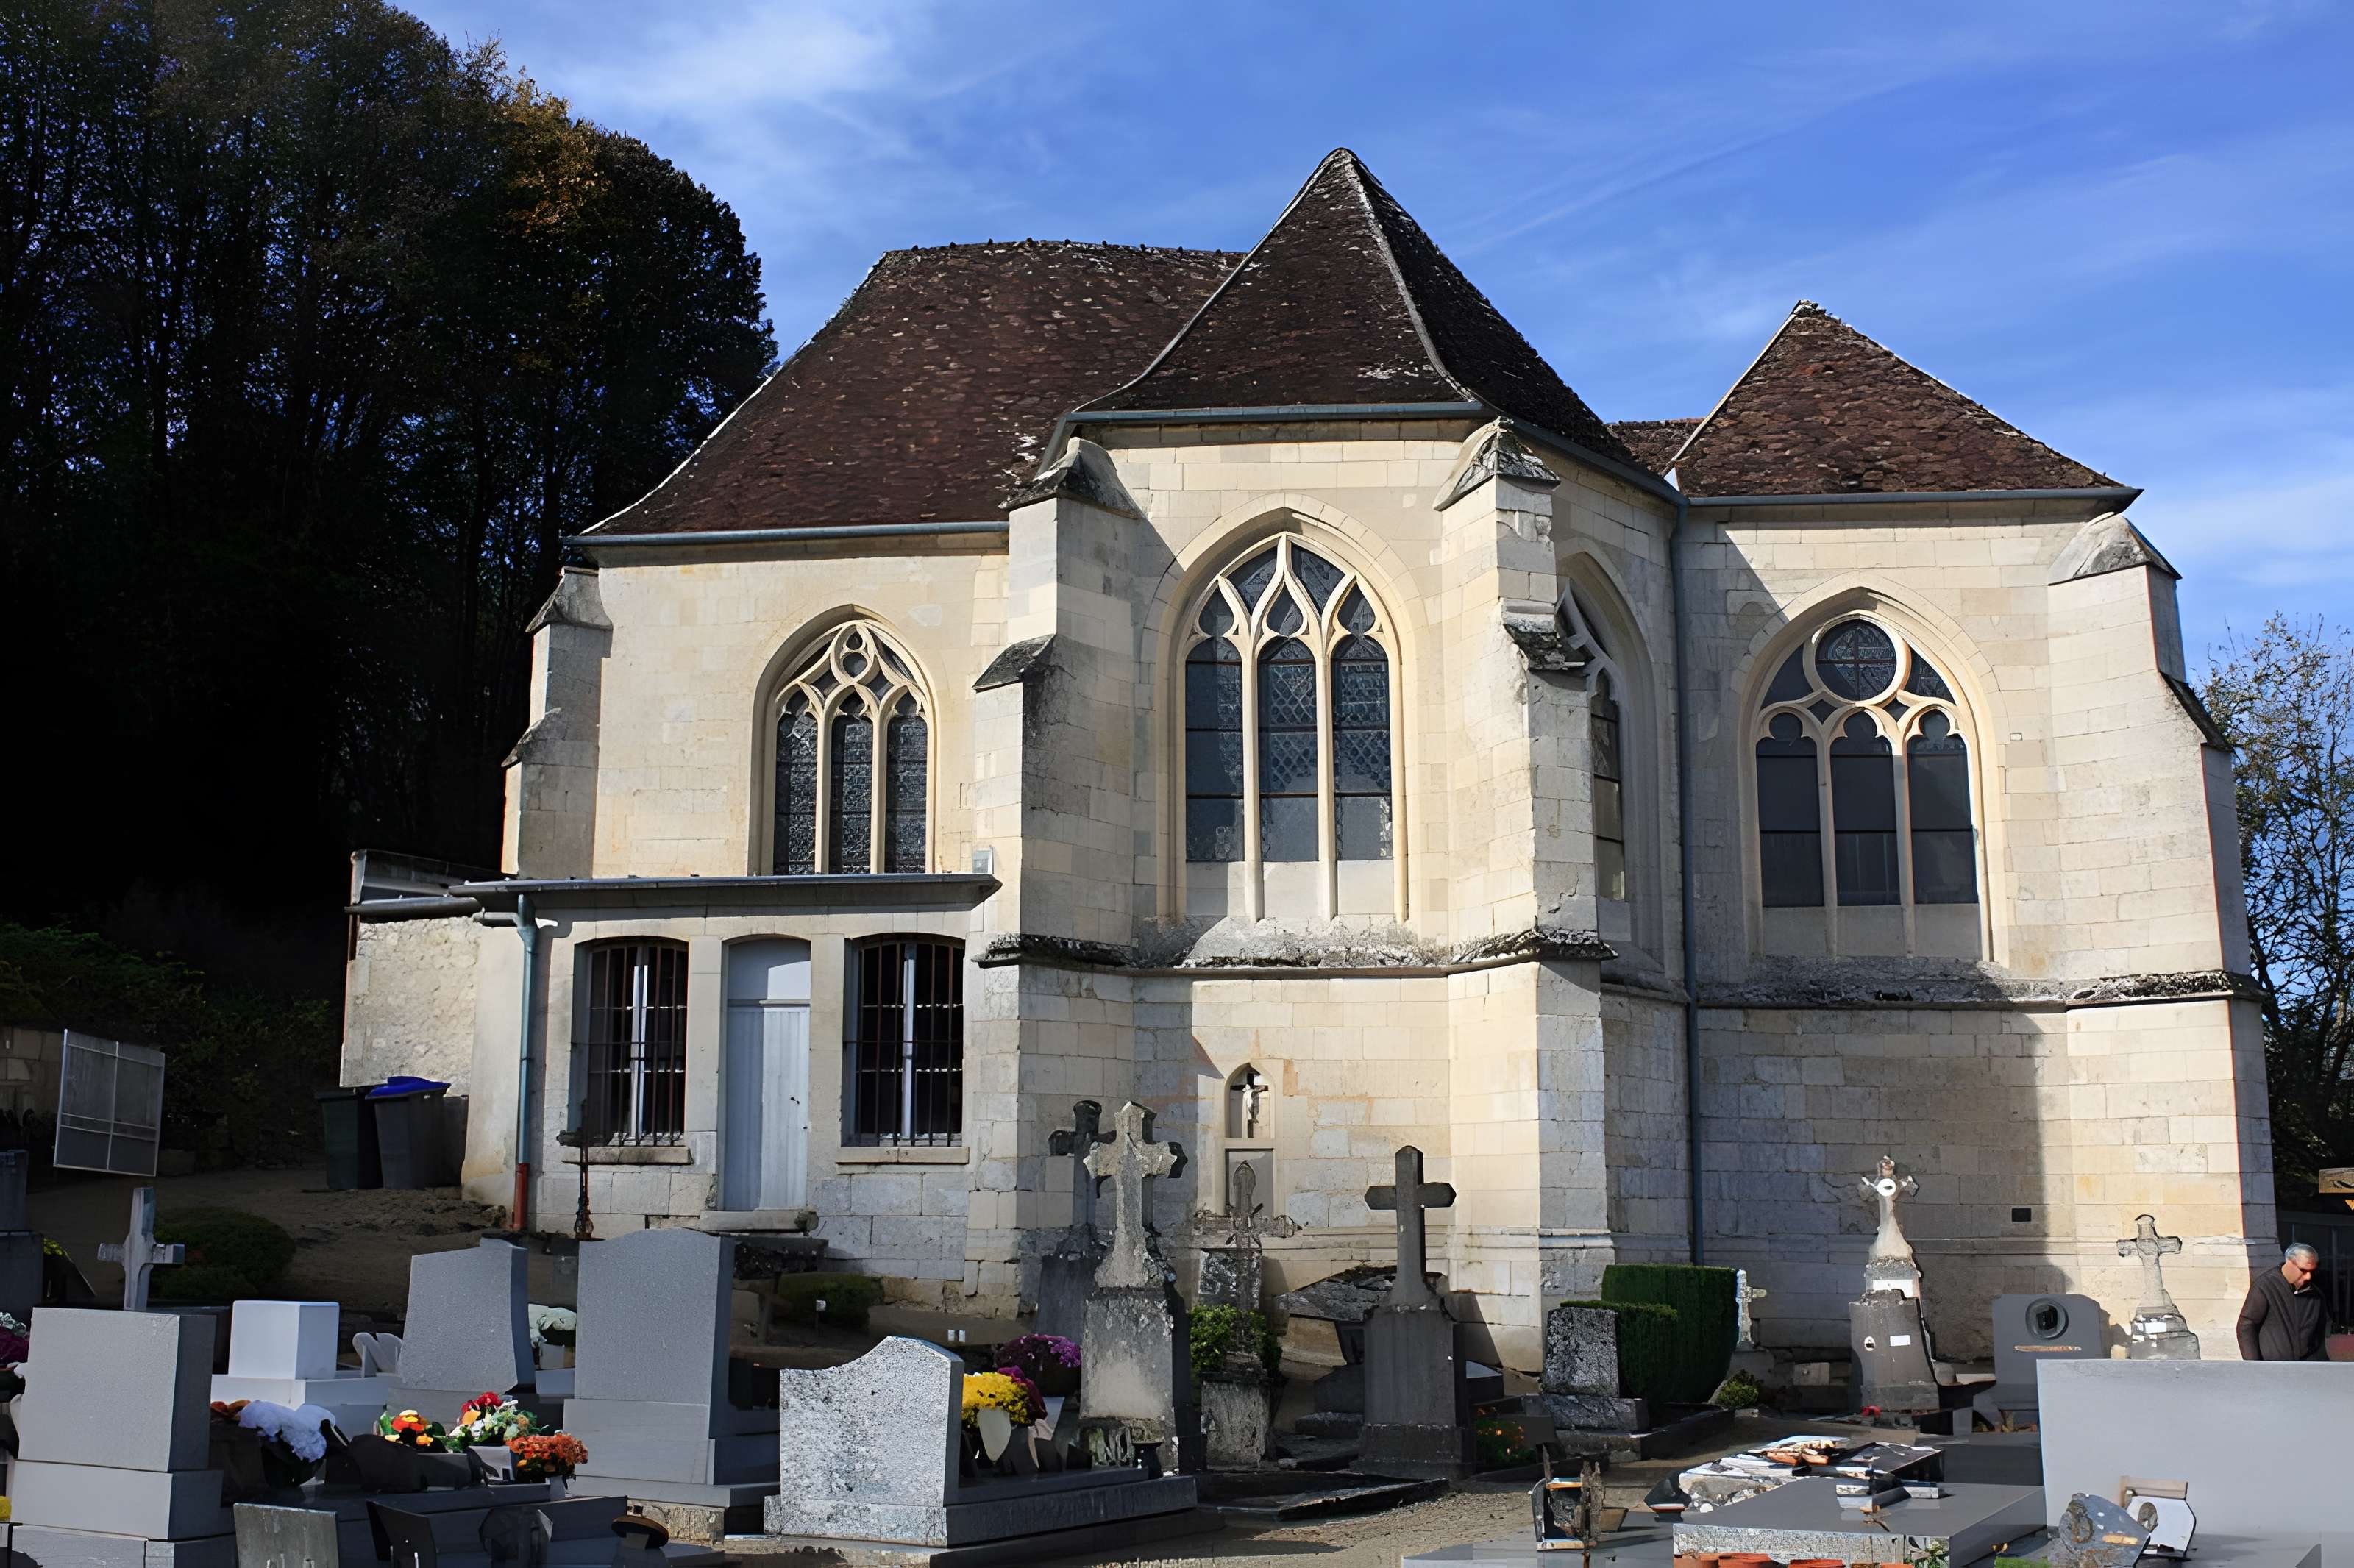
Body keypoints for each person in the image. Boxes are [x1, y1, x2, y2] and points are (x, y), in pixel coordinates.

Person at [2236, 1242, 2328, 1361]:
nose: (2308, 1277)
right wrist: (2254, 1364)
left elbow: (2320, 1334)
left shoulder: (2315, 1295)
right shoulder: (2265, 1286)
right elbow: (2247, 1324)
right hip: (2272, 1369)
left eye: (2312, 1271)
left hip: (2306, 1370)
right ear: (2289, 1263)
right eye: (2303, 1270)